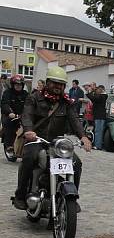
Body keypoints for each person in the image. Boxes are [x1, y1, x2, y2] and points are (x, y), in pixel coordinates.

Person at [12, 66, 92, 209]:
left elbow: (74, 121)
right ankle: (20, 195)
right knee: (29, 158)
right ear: (48, 82)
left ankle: (71, 199)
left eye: (61, 84)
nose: (58, 87)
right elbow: (27, 115)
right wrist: (29, 131)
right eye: (55, 83)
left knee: (76, 164)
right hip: (36, 139)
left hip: (56, 143)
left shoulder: (66, 103)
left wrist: (84, 137)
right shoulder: (34, 98)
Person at [1, 75, 28, 154]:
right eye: (16, 84)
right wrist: (10, 112)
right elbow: (5, 104)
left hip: (22, 115)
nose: (18, 86)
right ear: (13, 85)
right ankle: (9, 145)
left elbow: (29, 104)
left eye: (20, 85)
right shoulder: (7, 93)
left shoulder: (25, 94)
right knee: (9, 123)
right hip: (9, 115)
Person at [87, 84, 108, 150]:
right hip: (98, 116)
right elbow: (94, 99)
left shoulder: (103, 96)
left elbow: (94, 98)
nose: (97, 91)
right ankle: (96, 144)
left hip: (100, 116)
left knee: (98, 131)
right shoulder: (101, 96)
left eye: (98, 89)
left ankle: (98, 146)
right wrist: (91, 92)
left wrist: (90, 91)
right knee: (97, 131)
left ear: (101, 90)